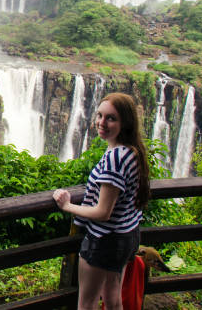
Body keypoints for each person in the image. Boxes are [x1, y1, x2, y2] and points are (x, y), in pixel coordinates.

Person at [53, 92, 150, 310]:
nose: (101, 123)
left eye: (111, 118)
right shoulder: (132, 152)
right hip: (126, 237)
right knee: (113, 297)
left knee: (86, 303)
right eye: (99, 115)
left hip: (104, 240)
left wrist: (68, 206)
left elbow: (103, 212)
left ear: (125, 122)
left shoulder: (115, 158)